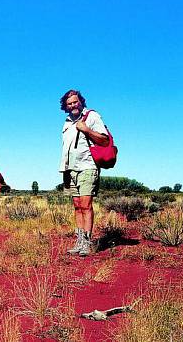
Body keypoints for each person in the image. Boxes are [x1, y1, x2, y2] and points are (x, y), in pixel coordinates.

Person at [59, 90, 110, 256]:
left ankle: (87, 243)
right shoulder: (67, 122)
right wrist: (65, 170)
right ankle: (79, 242)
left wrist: (86, 129)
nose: (73, 105)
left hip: (87, 167)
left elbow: (104, 140)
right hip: (71, 169)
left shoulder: (92, 116)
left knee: (86, 205)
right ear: (65, 107)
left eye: (75, 102)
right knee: (77, 206)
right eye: (70, 103)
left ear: (81, 102)